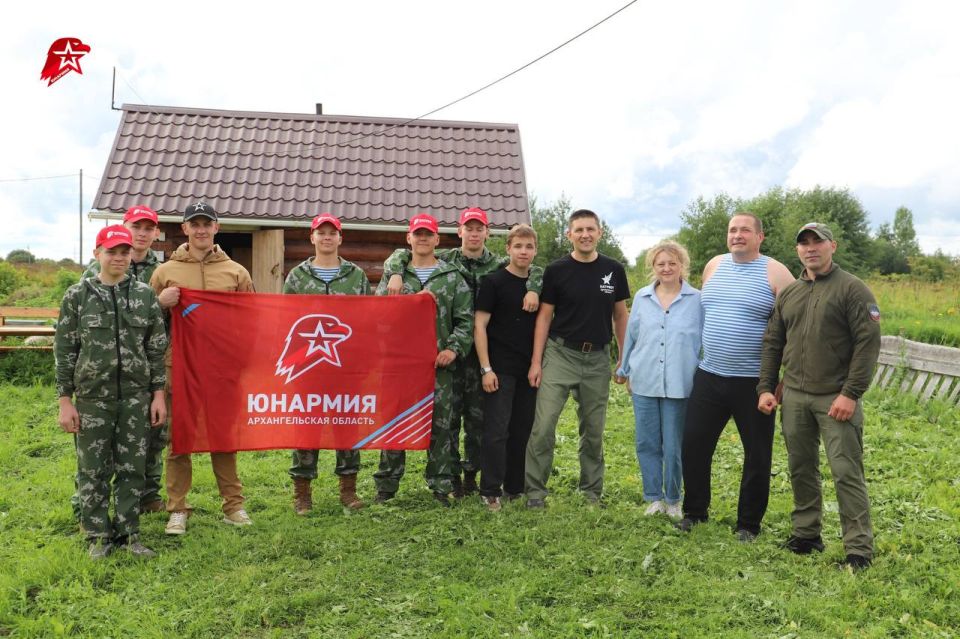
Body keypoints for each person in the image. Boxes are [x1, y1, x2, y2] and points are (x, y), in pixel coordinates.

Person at [382, 207, 541, 496]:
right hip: (449, 356)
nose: (474, 233)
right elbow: (405, 254)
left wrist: (534, 287)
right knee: (450, 419)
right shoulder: (446, 261)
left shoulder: (498, 264)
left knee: (479, 421)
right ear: (459, 232)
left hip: (482, 352)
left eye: (479, 228)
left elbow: (531, 266)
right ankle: (451, 476)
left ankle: (472, 474)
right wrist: (394, 271)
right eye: (469, 228)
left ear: (487, 234)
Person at [758, 223, 881, 570]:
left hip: (835, 399)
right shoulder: (790, 293)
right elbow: (773, 343)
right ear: (798, 251)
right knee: (801, 467)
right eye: (804, 243)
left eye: (818, 242)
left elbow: (867, 345)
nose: (811, 248)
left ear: (833, 246)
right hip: (794, 397)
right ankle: (807, 534)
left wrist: (850, 394)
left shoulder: (853, 290)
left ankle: (858, 551)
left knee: (845, 471)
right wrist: (767, 387)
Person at [677, 212, 795, 540]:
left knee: (757, 454)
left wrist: (781, 381)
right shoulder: (714, 265)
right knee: (694, 445)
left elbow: (795, 329)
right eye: (732, 230)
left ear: (760, 236)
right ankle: (695, 512)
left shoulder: (777, 273)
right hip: (709, 374)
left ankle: (748, 524)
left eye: (745, 230)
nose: (737, 235)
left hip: (754, 382)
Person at [55, 225, 167, 559]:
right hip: (92, 399)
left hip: (135, 398)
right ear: (97, 254)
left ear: (131, 254)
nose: (118, 257)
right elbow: (65, 351)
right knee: (93, 469)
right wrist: (65, 401)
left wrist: (157, 394)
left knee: (133, 468)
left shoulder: (144, 295)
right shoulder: (78, 296)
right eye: (111, 251)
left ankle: (129, 533)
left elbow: (156, 349)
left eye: (124, 251)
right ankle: (96, 537)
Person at [149, 201, 255, 535]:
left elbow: (250, 320)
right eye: (194, 224)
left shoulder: (236, 272)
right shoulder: (165, 272)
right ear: (184, 229)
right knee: (179, 438)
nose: (200, 230)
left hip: (222, 369)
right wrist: (160, 303)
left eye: (206, 224)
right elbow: (147, 320)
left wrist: (243, 362)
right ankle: (178, 508)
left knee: (223, 436)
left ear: (216, 228)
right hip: (178, 366)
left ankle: (233, 506)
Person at [524, 209, 630, 508]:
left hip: (597, 359)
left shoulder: (614, 269)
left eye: (590, 229)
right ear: (569, 235)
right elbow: (544, 318)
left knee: (594, 431)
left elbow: (620, 315)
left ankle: (591, 492)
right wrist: (536, 361)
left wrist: (623, 358)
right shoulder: (557, 270)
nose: (585, 234)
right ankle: (535, 492)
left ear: (600, 233)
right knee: (543, 427)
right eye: (579, 230)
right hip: (560, 355)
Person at [373, 213, 474, 506]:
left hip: (438, 365)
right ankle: (387, 485)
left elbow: (465, 320)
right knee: (395, 421)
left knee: (442, 424)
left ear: (437, 240)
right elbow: (378, 315)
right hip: (400, 366)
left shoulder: (452, 277)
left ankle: (441, 485)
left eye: (428, 234)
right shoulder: (395, 276)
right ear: (409, 238)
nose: (423, 238)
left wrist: (452, 349)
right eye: (418, 234)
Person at [80, 205, 166, 515]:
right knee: (96, 449)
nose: (142, 233)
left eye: (148, 228)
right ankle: (86, 505)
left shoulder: (162, 267)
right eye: (136, 226)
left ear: (156, 233)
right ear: (125, 226)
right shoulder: (95, 273)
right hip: (101, 377)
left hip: (141, 367)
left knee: (150, 438)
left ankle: (148, 495)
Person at [283, 213, 371, 514]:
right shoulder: (297, 276)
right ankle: (303, 493)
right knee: (306, 427)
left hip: (345, 367)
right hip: (307, 368)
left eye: (332, 232)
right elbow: (285, 317)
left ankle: (348, 490)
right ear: (312, 238)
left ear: (340, 238)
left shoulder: (356, 276)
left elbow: (367, 320)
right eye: (321, 233)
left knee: (346, 425)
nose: (327, 237)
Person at [615, 240, 702, 520]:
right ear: (653, 267)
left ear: (682, 266)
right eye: (660, 263)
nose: (666, 268)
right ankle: (653, 498)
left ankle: (674, 499)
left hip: (680, 382)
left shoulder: (697, 300)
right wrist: (624, 368)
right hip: (644, 380)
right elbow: (631, 336)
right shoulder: (641, 297)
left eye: (672, 263)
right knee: (647, 442)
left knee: (674, 446)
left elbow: (705, 342)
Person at [474, 224, 540, 511]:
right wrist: (486, 368)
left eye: (529, 247)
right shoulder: (494, 282)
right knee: (496, 431)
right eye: (518, 246)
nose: (523, 252)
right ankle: (490, 490)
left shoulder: (538, 285)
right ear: (508, 249)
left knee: (522, 429)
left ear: (535, 251)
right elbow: (480, 326)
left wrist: (538, 364)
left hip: (529, 369)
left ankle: (514, 487)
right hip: (499, 369)